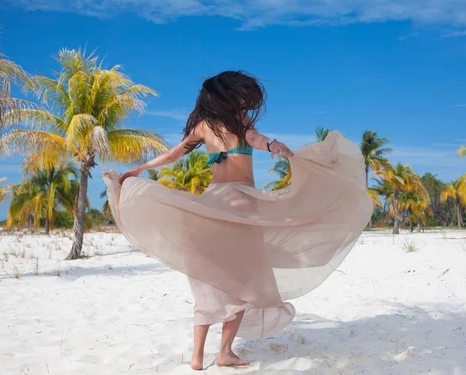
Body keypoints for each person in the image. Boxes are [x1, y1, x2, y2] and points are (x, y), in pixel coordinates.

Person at [103, 70, 373, 370]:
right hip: (241, 205)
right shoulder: (239, 122)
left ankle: (197, 357)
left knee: (209, 277)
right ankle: (224, 353)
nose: (244, 101)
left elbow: (172, 154)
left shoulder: (203, 126)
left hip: (213, 203)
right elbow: (257, 140)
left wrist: (140, 169)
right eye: (240, 95)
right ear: (227, 96)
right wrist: (274, 145)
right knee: (245, 281)